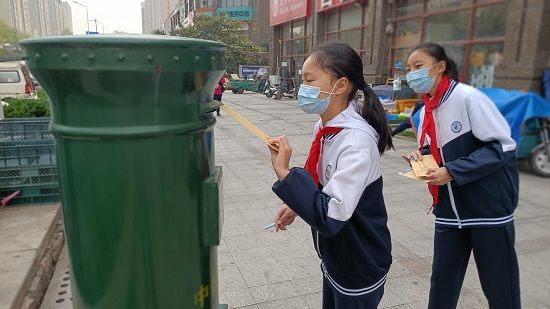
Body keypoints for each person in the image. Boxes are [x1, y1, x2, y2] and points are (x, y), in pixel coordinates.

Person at [267, 42, 393, 309]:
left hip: (359, 264)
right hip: (336, 257)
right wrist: (297, 205)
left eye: (309, 80)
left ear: (340, 85)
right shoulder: (325, 127)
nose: (303, 88)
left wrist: (285, 174)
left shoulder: (356, 141)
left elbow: (330, 216)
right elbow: (325, 186)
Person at [402, 43, 520, 309]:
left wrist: (452, 171)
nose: (412, 74)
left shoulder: (468, 97)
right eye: (409, 69)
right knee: (442, 282)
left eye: (418, 66)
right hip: (448, 212)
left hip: (487, 211)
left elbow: (502, 146)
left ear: (440, 66)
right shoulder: (425, 110)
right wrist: (420, 157)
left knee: (500, 285)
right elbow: (434, 149)